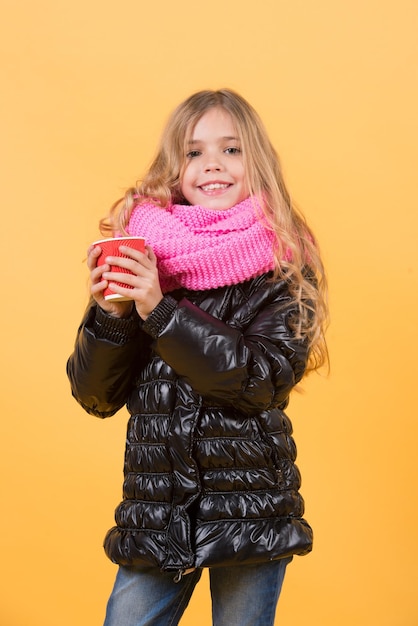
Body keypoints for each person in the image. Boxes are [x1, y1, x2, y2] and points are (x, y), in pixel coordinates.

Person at [67, 88, 328, 626]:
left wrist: (161, 313)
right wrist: (112, 316)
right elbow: (95, 397)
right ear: (174, 167)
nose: (213, 165)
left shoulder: (284, 263)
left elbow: (257, 380)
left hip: (249, 504)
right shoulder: (148, 258)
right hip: (159, 504)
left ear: (257, 163)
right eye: (194, 152)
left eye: (231, 150)